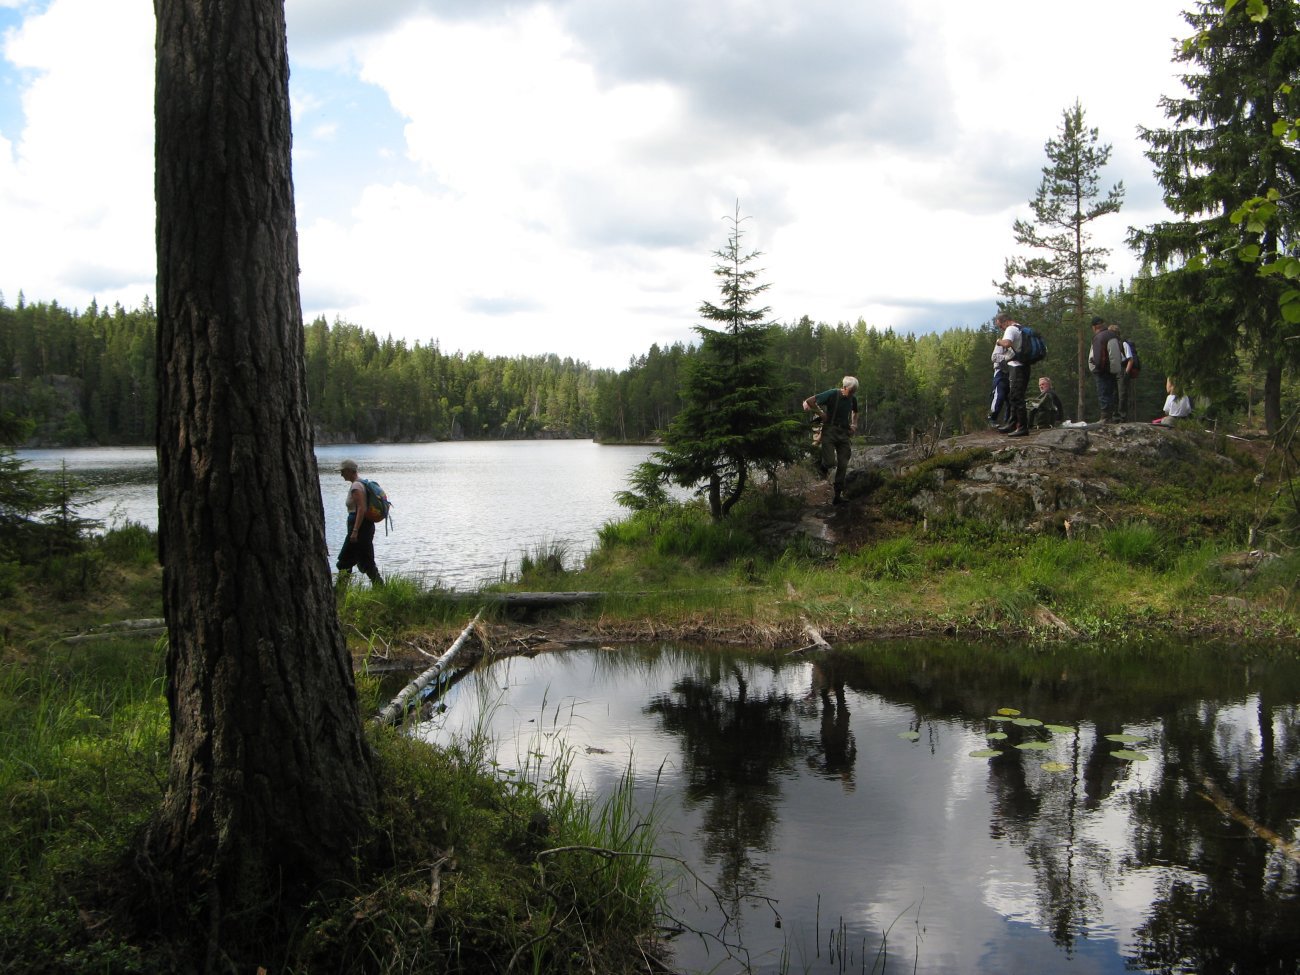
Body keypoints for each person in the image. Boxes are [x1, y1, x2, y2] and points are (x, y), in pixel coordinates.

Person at [803, 376, 859, 505]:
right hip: (829, 432)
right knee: (829, 462)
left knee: (843, 464)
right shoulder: (832, 394)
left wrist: (854, 425)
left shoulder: (853, 399)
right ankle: (822, 466)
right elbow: (810, 401)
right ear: (844, 387)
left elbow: (855, 412)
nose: (852, 394)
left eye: (854, 391)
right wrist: (821, 413)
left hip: (844, 434)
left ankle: (837, 496)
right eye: (850, 391)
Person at [336, 458, 383, 586]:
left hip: (359, 527)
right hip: (365, 527)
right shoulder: (361, 483)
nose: (341, 474)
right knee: (366, 559)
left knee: (345, 559)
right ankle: (380, 587)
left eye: (343, 471)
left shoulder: (356, 486)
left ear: (350, 471)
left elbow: (361, 508)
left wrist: (355, 531)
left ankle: (340, 590)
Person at [993, 311, 1030, 437]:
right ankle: (1012, 424)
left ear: (1005, 321)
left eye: (1000, 326)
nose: (1000, 328)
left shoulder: (1010, 329)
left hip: (1017, 366)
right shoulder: (1020, 328)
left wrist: (999, 341)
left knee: (1016, 397)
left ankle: (1022, 427)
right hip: (1024, 365)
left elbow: (1007, 343)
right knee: (1014, 395)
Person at [1088, 315, 1123, 423]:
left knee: (1103, 393)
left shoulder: (1099, 337)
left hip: (1102, 371)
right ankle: (1112, 417)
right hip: (1113, 369)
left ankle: (1104, 418)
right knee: (1111, 393)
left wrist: (1096, 366)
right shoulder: (1113, 335)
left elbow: (1098, 355)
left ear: (1094, 327)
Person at [1113, 322, 1138, 422]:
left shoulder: (1123, 343)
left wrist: (1126, 373)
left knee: (1122, 394)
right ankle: (1115, 416)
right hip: (1114, 369)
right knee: (1114, 394)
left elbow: (1130, 359)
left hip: (1122, 368)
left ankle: (1122, 416)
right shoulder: (1112, 344)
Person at [988, 342, 1012, 426]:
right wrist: (1006, 358)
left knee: (1011, 399)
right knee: (999, 396)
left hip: (1012, 373)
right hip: (1000, 372)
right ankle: (992, 418)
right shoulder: (1001, 343)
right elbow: (994, 357)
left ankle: (1008, 421)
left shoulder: (1017, 344)